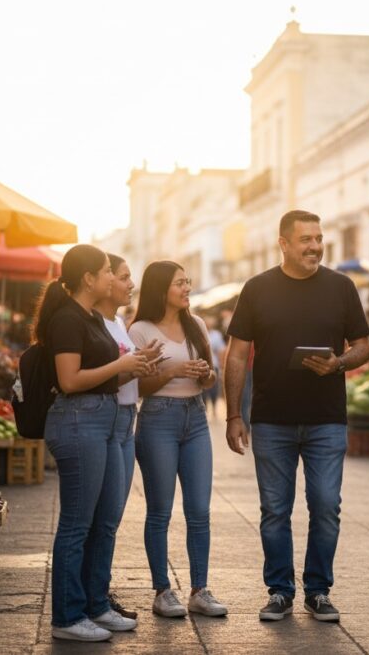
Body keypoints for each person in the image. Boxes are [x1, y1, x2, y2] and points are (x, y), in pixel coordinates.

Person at [224, 210, 369, 623]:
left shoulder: (341, 287)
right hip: (272, 419)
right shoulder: (257, 288)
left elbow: (364, 346)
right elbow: (236, 355)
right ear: (284, 243)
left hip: (327, 418)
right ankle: (279, 591)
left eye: (319, 238)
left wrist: (339, 363)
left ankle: (319, 590)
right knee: (275, 509)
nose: (315, 246)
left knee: (326, 505)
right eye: (305, 239)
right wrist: (234, 415)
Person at [35, 244, 155, 642]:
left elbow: (102, 375)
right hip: (78, 421)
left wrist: (135, 366)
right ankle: (67, 617)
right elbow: (69, 381)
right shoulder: (68, 319)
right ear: (87, 278)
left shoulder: (88, 317)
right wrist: (121, 365)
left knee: (105, 521)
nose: (111, 276)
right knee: (77, 524)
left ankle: (96, 604)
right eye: (106, 271)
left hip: (101, 420)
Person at [128, 261, 228, 620]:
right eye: (180, 283)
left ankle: (200, 589)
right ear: (160, 289)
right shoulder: (139, 330)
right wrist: (172, 370)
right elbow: (137, 387)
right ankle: (162, 590)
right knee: (160, 511)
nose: (187, 288)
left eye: (188, 282)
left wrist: (204, 374)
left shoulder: (196, 324)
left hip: (196, 418)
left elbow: (211, 378)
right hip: (158, 420)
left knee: (199, 510)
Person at [95, 253, 149, 621]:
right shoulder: (94, 323)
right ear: (103, 280)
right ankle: (94, 598)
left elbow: (125, 372)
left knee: (111, 516)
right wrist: (130, 368)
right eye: (124, 276)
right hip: (108, 421)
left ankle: (97, 592)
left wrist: (146, 365)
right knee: (102, 516)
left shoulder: (116, 322)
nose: (131, 284)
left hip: (127, 420)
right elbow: (101, 376)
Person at [204, 316, 226, 416]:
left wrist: (222, 365)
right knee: (203, 390)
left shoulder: (216, 335)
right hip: (202, 365)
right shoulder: (199, 333)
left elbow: (221, 350)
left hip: (214, 365)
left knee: (214, 389)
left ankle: (214, 408)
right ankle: (205, 409)